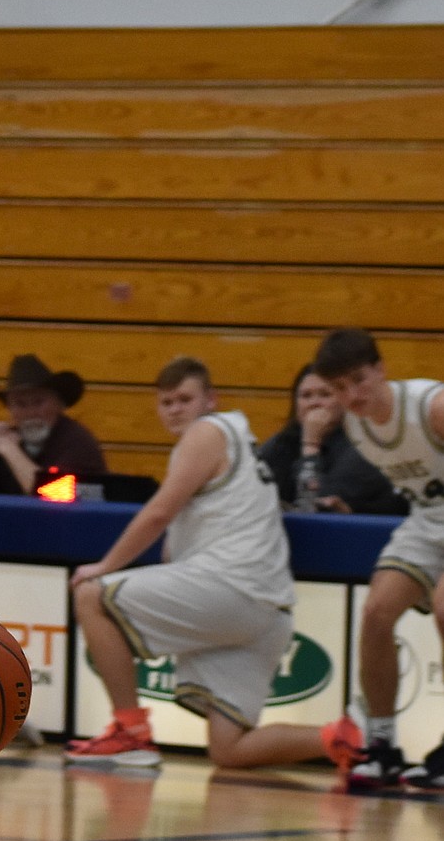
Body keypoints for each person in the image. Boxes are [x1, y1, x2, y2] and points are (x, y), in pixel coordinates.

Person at [67, 355, 360, 772]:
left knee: (91, 596)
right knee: (230, 749)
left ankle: (129, 733)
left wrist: (104, 566)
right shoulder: (237, 441)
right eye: (166, 402)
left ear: (209, 400)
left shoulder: (206, 433)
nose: (175, 409)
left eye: (184, 399)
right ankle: (342, 738)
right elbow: (176, 541)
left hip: (232, 590)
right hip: (267, 612)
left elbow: (156, 514)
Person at [311, 328, 444, 792]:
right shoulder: (355, 426)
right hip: (430, 519)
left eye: (358, 381)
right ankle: (383, 745)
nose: (351, 395)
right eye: (339, 388)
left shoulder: (431, 407)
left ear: (381, 369)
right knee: (375, 613)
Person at [258, 363, 407, 516]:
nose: (314, 403)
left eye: (325, 394)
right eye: (306, 396)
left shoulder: (363, 444)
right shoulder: (283, 442)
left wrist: (311, 444)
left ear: (345, 402)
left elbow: (316, 504)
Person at [0, 353, 106, 494]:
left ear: (59, 404)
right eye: (21, 404)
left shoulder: (77, 441)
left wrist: (11, 451)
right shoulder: (4, 440)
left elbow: (53, 493)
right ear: (10, 409)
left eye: (38, 402)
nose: (30, 412)